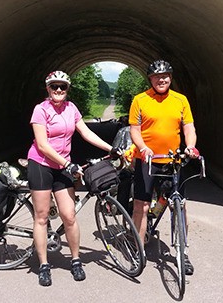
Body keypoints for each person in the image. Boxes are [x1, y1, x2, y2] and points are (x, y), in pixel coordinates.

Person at [27, 70, 115, 287]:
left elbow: (86, 132)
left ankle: (75, 261)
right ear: (48, 88)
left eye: (62, 87)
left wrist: (112, 148)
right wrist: (67, 163)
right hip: (41, 164)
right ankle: (44, 265)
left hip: (63, 165)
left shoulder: (71, 108)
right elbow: (43, 145)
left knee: (69, 215)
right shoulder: (41, 110)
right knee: (42, 216)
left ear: (67, 89)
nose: (58, 90)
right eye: (54, 86)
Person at [128, 60, 200, 276]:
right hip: (147, 160)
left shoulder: (180, 100)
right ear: (150, 79)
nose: (162, 80)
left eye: (166, 76)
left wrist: (190, 147)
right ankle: (138, 249)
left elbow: (189, 127)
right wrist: (142, 147)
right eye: (157, 77)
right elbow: (134, 129)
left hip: (172, 161)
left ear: (170, 77)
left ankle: (181, 252)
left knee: (179, 205)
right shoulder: (140, 100)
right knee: (141, 205)